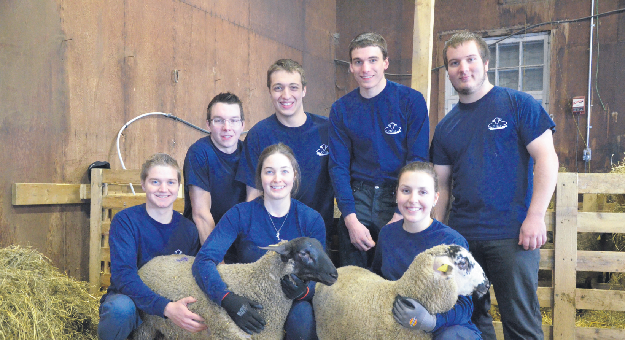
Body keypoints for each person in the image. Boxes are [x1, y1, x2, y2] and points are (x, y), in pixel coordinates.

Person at [430, 31, 558, 340]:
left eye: (470, 59)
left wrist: (536, 216)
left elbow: (547, 159)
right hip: (463, 240)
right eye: (454, 63)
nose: (463, 68)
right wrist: (436, 235)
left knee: (521, 323)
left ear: (486, 63)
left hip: (513, 236)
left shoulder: (518, 105)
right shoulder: (446, 127)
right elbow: (442, 187)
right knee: (472, 320)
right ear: (447, 71)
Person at [193, 143, 326, 339]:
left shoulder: (311, 220)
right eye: (269, 172)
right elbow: (203, 260)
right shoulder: (240, 214)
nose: (277, 179)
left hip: (292, 304)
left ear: (294, 175)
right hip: (249, 301)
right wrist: (227, 299)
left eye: (284, 171)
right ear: (260, 178)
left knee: (303, 316)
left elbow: (321, 275)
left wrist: (304, 291)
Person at [329, 32, 430, 268]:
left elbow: (418, 161)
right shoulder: (341, 109)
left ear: (385, 62)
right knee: (353, 277)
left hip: (398, 193)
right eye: (358, 62)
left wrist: (400, 212)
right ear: (351, 67)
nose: (366, 68)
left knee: (395, 273)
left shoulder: (410, 101)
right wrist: (350, 219)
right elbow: (338, 166)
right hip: (357, 197)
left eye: (373, 60)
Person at [98, 153, 204, 339]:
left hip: (171, 301)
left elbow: (190, 276)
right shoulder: (126, 221)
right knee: (119, 310)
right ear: (143, 184)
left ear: (178, 186)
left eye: (170, 182)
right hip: (132, 299)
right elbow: (123, 276)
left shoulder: (188, 229)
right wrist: (166, 307)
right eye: (155, 182)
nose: (163, 189)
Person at [371, 161, 482, 340]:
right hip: (398, 323)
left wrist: (431, 321)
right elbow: (377, 278)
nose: (413, 199)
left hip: (444, 327)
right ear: (396, 194)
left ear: (435, 198)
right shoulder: (387, 235)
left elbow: (465, 303)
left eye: (423, 192)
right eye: (406, 190)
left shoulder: (451, 242)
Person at [235, 58, 334, 249]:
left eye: (293, 87)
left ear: (304, 90)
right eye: (278, 88)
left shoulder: (327, 131)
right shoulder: (259, 134)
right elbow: (253, 196)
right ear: (270, 91)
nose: (286, 95)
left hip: (315, 238)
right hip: (272, 240)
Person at [183, 92, 247, 244]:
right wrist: (218, 261)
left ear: (242, 125)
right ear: (208, 124)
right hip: (205, 240)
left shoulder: (249, 154)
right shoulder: (199, 153)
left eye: (234, 120)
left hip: (238, 239)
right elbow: (201, 214)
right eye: (219, 120)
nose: (227, 127)